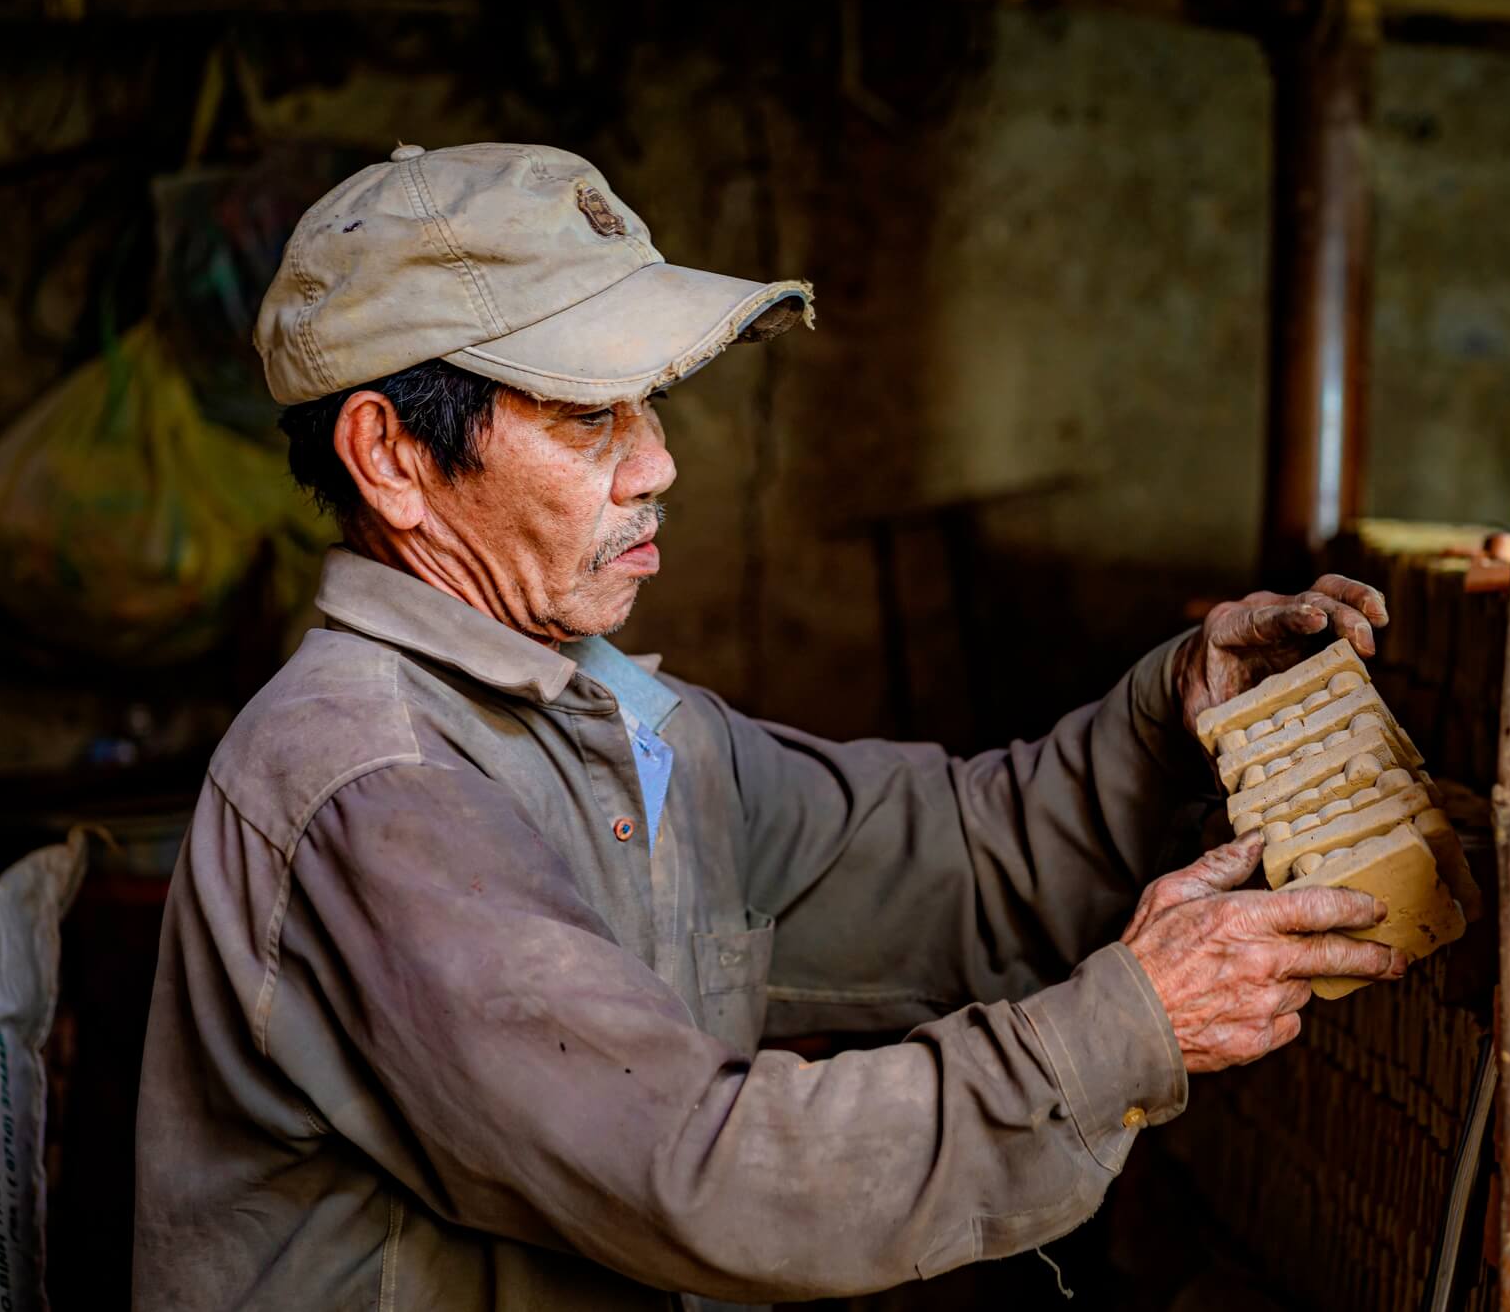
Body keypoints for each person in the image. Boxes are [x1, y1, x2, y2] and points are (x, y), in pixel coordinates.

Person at [133, 142, 1405, 1311]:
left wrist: (1165, 716)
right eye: (589, 417)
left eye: (649, 403)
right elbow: (699, 1171)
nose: (656, 465)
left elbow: (950, 853)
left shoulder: (607, 714)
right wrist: (1130, 1028)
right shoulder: (373, 785)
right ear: (393, 458)